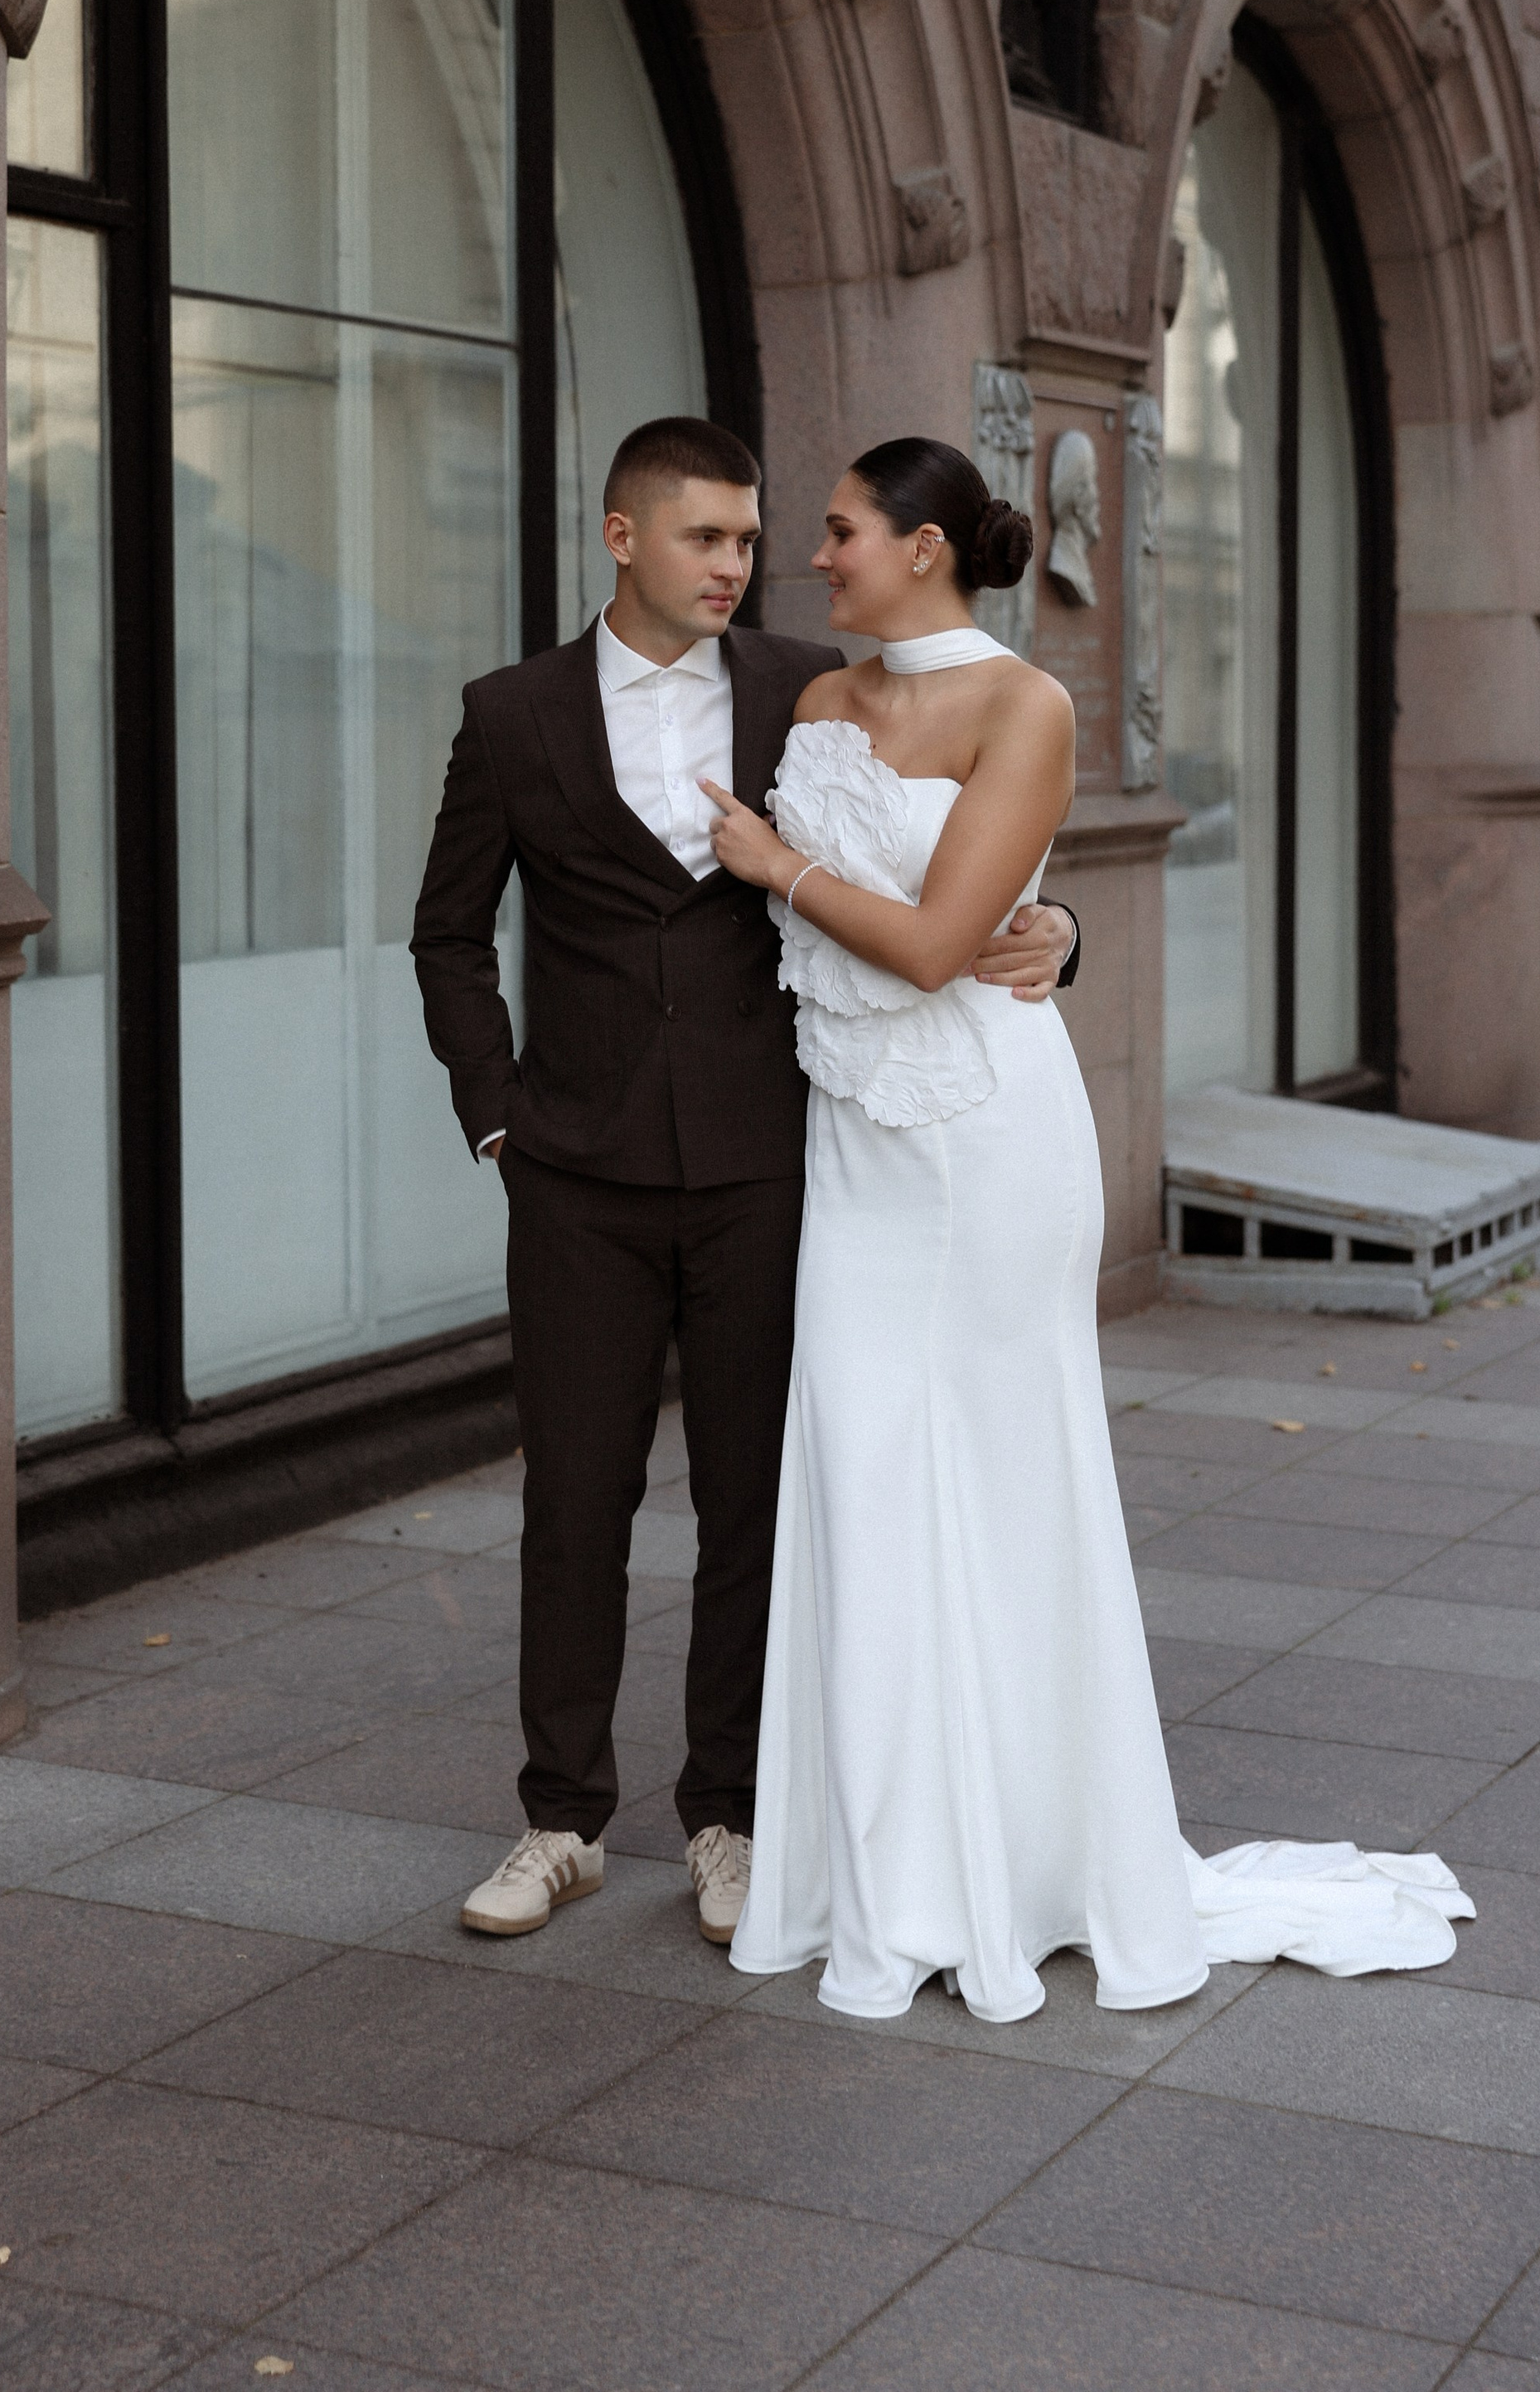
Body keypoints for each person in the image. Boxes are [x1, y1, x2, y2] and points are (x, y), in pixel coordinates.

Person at [703, 435, 1474, 2022]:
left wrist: (777, 864)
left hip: (988, 1144)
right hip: (853, 1150)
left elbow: (934, 945)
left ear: (923, 547)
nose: (813, 559)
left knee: (1001, 1482)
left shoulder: (1028, 706)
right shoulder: (814, 701)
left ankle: (1034, 1859)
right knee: (857, 1476)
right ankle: (882, 1869)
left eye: (839, 533)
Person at [410, 418, 1082, 1948]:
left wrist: (1062, 933)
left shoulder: (813, 688)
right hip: (573, 1170)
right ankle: (558, 1820)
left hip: (777, 1165)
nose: (740, 565)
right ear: (623, 537)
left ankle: (729, 1817)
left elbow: (955, 857)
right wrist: (496, 1115)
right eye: (707, 538)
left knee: (750, 1504)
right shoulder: (511, 717)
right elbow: (448, 933)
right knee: (574, 1502)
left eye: (752, 538)